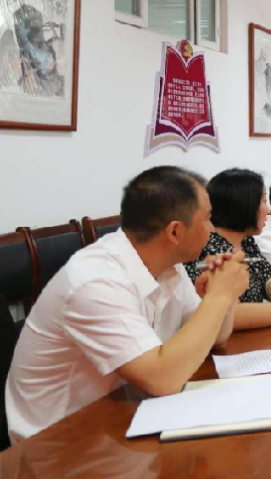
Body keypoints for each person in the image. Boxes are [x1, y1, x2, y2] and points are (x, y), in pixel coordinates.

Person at [5, 166, 249, 443]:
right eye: (206, 219)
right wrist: (219, 296)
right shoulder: (95, 281)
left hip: (124, 418)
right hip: (58, 446)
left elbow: (217, 338)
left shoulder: (169, 266)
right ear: (175, 231)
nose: (212, 228)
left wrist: (222, 296)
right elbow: (162, 379)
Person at [182, 169, 271, 330]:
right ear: (243, 205)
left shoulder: (246, 241)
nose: (269, 210)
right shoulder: (209, 249)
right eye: (263, 202)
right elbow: (227, 314)